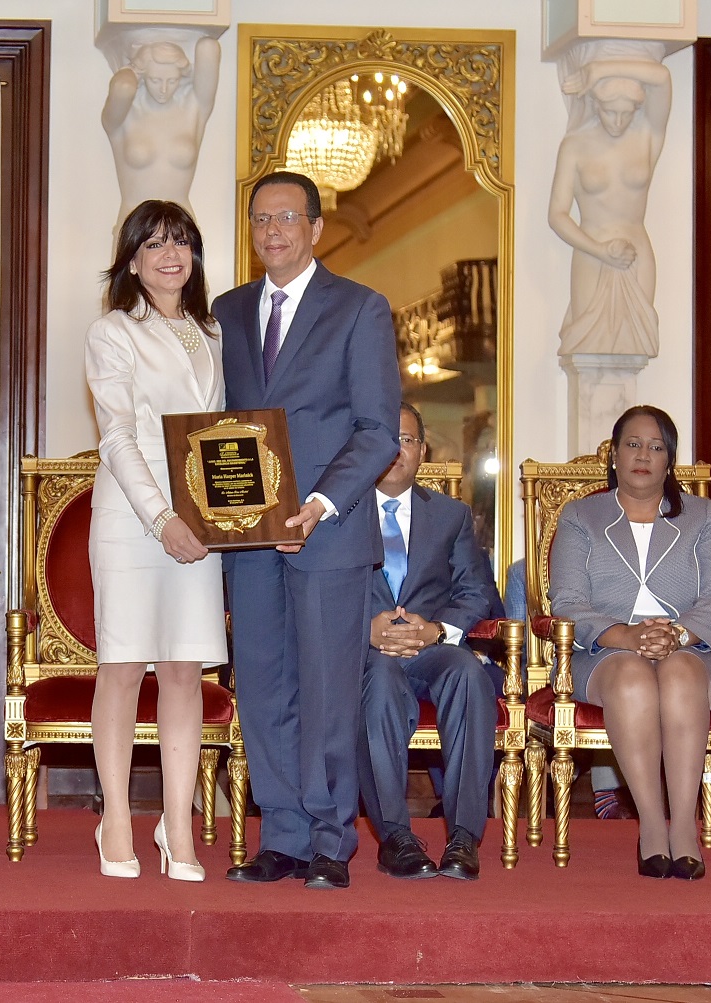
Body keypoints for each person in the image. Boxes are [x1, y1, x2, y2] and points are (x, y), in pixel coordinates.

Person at [213, 170, 401, 890]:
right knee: (262, 688)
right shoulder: (225, 313)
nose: (273, 231)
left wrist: (318, 503)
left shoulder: (359, 309)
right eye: (261, 219)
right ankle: (283, 834)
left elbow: (377, 430)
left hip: (328, 532)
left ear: (316, 228)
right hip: (249, 538)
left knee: (325, 691)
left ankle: (329, 838)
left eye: (288, 217)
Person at [84, 200, 225, 882]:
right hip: (132, 523)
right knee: (122, 665)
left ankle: (177, 820)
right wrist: (160, 517)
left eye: (181, 242)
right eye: (155, 244)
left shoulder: (212, 330)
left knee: (183, 669)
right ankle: (114, 815)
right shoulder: (113, 331)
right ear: (133, 259)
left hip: (200, 523)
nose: (170, 255)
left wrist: (225, 517)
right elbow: (115, 436)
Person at [549, 405, 711, 880]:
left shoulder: (703, 517)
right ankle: (652, 826)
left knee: (677, 672)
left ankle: (685, 829)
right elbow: (567, 601)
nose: (644, 455)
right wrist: (627, 637)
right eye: (633, 444)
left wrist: (677, 633)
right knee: (633, 676)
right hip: (602, 651)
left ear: (669, 461)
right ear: (613, 455)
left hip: (694, 647)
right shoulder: (580, 516)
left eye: (657, 447)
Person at [358, 404, 503, 882]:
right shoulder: (341, 514)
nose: (396, 449)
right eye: (386, 436)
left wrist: (437, 630)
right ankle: (395, 836)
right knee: (378, 683)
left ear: (422, 451)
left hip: (434, 648)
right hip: (368, 652)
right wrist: (366, 629)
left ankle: (464, 837)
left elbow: (476, 589)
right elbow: (321, 592)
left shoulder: (452, 516)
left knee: (467, 672)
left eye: (407, 439)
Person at [547, 43, 670, 358]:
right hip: (592, 252)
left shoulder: (647, 137)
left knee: (634, 350)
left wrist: (599, 70)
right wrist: (600, 250)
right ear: (594, 104)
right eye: (610, 112)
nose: (618, 121)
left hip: (637, 253)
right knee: (587, 351)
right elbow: (557, 215)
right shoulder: (574, 146)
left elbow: (662, 77)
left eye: (626, 114)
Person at [102, 37, 220, 232]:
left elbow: (209, 47)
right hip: (133, 228)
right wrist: (130, 69)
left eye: (172, 80)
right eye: (155, 80)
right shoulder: (124, 118)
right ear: (142, 76)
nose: (164, 89)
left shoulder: (194, 109)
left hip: (181, 227)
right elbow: (122, 88)